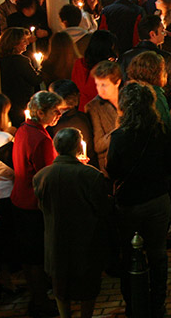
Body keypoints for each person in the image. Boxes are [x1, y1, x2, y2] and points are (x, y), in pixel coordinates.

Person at [106, 82, 171, 318]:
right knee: (158, 254)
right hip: (157, 199)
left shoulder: (118, 137)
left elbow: (113, 170)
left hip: (129, 204)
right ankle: (158, 304)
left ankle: (133, 304)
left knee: (129, 255)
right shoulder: (161, 131)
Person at [33, 128, 110, 318]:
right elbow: (102, 208)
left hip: (56, 240)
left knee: (61, 287)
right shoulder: (91, 175)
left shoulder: (42, 176)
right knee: (87, 286)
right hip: (85, 240)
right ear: (77, 147)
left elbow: (42, 206)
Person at [12, 90, 64, 317]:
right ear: (40, 111)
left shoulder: (23, 129)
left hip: (19, 199)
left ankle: (36, 297)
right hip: (34, 203)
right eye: (55, 112)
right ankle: (41, 301)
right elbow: (46, 176)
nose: (58, 116)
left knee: (28, 254)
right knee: (37, 255)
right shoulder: (42, 138)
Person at [0, 27, 41, 127]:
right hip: (21, 102)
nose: (27, 43)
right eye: (24, 41)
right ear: (14, 43)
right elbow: (35, 80)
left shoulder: (0, 60)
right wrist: (41, 69)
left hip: (7, 102)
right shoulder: (21, 61)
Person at [86, 61, 123, 175]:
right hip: (110, 165)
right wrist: (119, 131)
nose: (100, 89)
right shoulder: (94, 107)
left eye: (104, 85)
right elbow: (98, 145)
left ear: (117, 82)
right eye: (97, 84)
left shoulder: (128, 99)